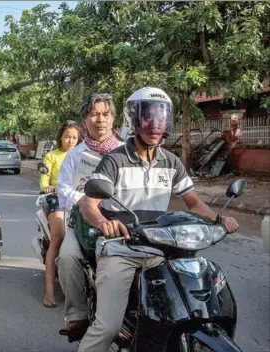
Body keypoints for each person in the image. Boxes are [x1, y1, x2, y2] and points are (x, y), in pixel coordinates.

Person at [76, 87, 240, 352]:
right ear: (133, 120)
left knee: (183, 311)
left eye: (161, 118)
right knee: (108, 327)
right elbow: (88, 204)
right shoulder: (114, 160)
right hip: (122, 249)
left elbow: (193, 202)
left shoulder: (171, 162)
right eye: (148, 117)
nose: (155, 125)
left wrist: (220, 219)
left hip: (161, 251)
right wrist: (103, 222)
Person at [56, 93, 125, 335]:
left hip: (118, 224)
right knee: (66, 257)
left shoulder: (125, 152)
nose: (100, 119)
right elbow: (62, 189)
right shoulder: (75, 155)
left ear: (113, 119)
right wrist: (85, 200)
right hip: (83, 224)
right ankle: (77, 315)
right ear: (85, 119)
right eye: (94, 114)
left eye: (105, 114)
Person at [39, 120, 83, 308]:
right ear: (60, 138)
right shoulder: (52, 156)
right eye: (67, 137)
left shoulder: (83, 156)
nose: (70, 140)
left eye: (74, 137)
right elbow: (44, 183)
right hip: (56, 199)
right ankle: (49, 291)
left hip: (80, 199)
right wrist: (51, 187)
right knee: (58, 239)